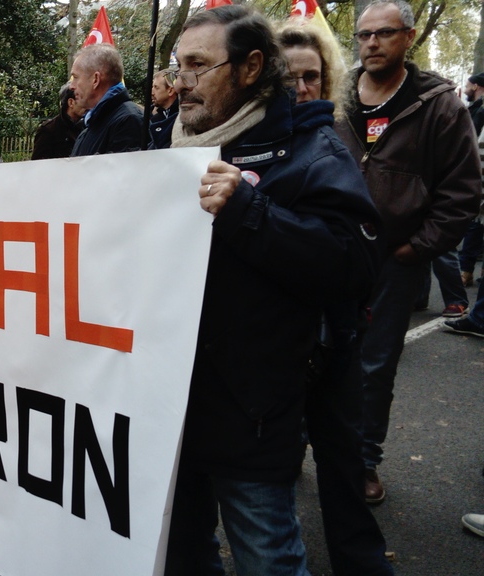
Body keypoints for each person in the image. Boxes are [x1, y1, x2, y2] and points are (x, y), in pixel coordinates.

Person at [158, 7, 380, 574]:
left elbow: (351, 266)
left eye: (199, 66)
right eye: (178, 66)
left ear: (251, 67)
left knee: (267, 558)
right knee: (180, 554)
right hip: (170, 407)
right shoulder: (167, 147)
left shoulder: (313, 152)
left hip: (249, 413)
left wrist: (250, 211)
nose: (182, 81)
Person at [334, 0, 481, 504]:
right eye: (364, 35)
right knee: (315, 351)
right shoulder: (338, 96)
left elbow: (462, 192)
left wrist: (415, 249)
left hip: (393, 263)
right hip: (331, 254)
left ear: (409, 37)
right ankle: (302, 445)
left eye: (384, 34)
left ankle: (364, 460)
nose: (371, 43)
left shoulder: (439, 104)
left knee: (374, 368)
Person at [279, 21, 395, 576]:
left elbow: (353, 255)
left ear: (326, 82)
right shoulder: (249, 143)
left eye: (311, 76)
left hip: (337, 335)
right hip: (278, 342)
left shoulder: (336, 143)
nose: (300, 87)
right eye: (288, 76)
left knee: (342, 462)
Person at [67, 43, 146, 156]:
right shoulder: (96, 120)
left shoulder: (127, 121)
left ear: (95, 80)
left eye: (75, 77)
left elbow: (121, 172)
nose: (71, 86)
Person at [457, 73, 484, 287]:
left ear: (476, 86)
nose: (465, 88)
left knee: (475, 224)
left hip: (478, 173)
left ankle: (466, 271)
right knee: (474, 224)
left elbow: (472, 143)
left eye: (467, 84)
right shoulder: (475, 109)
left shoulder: (479, 111)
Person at [30, 84, 82, 160]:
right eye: (82, 98)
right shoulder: (49, 130)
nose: (87, 103)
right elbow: (38, 165)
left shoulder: (87, 127)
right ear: (71, 102)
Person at [148, 68, 178, 149]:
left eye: (156, 88)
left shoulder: (180, 119)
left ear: (170, 91)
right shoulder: (156, 116)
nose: (152, 93)